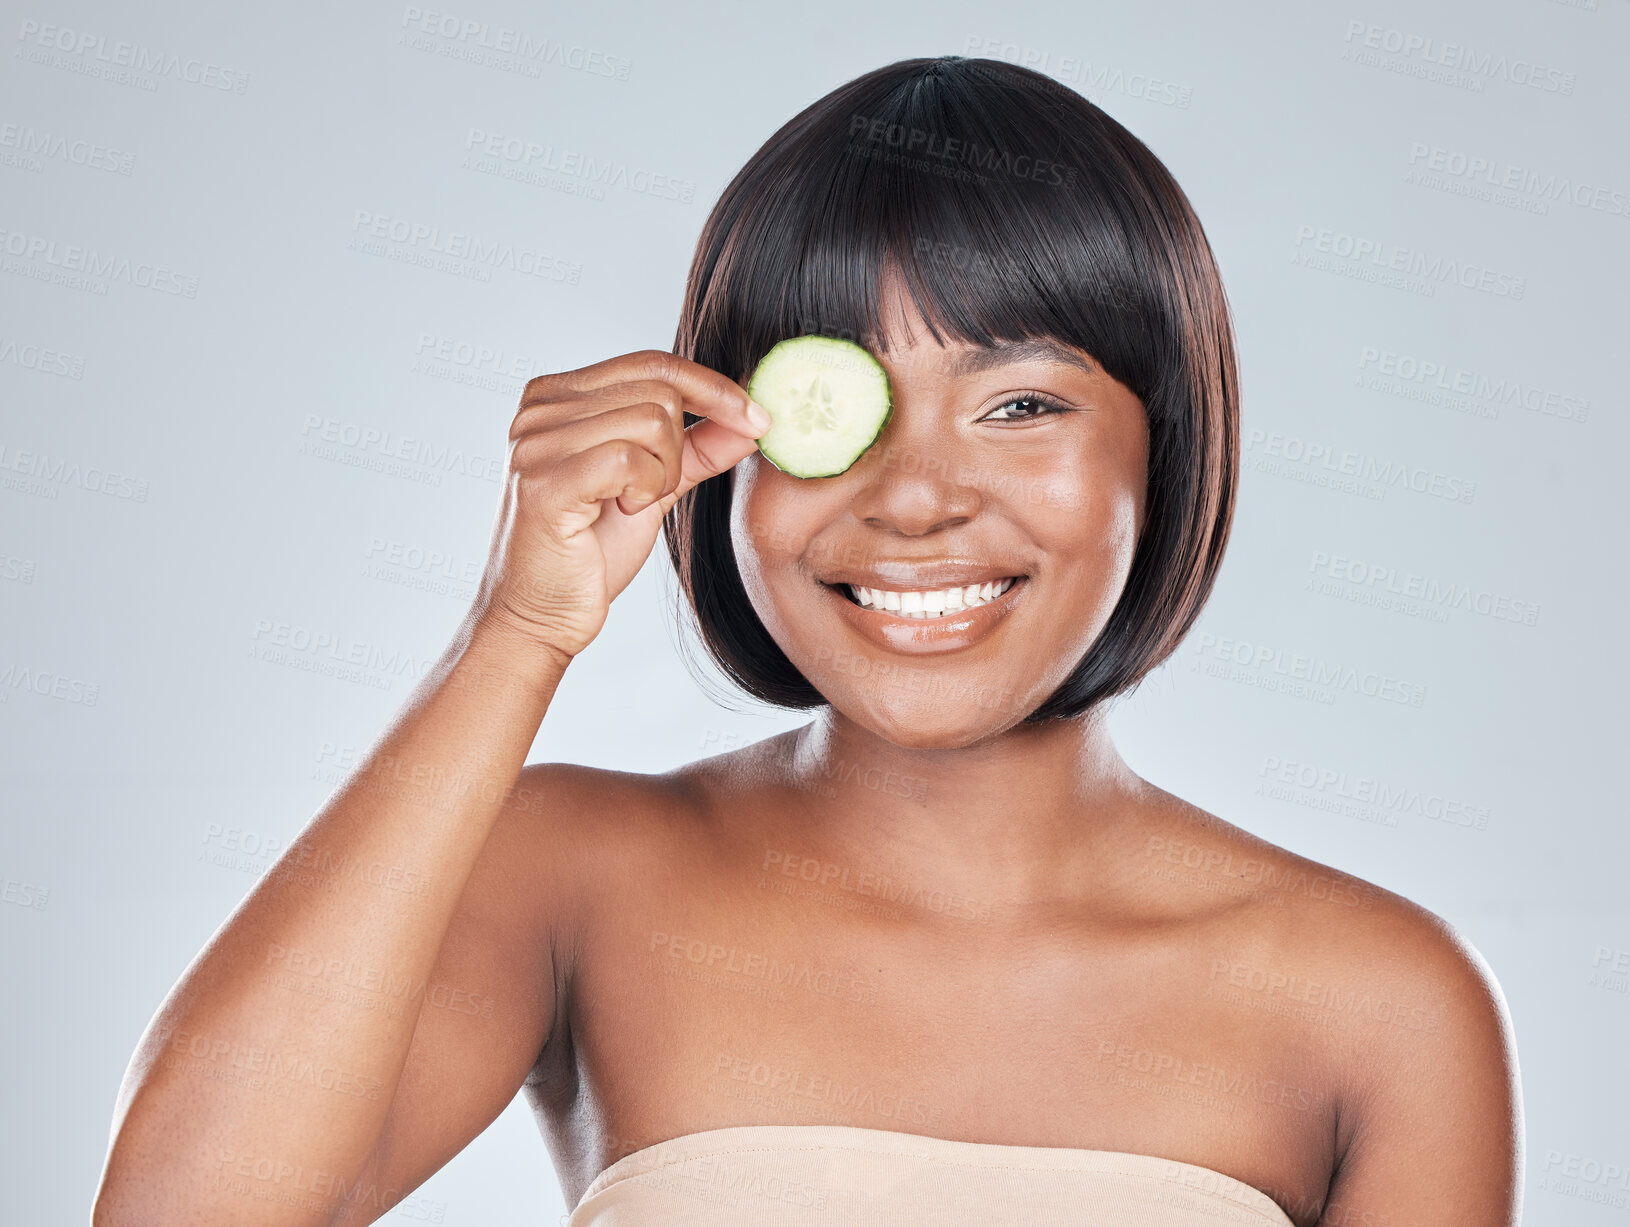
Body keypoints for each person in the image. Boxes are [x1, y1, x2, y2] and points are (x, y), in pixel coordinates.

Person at [91, 56, 1522, 1227]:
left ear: (1165, 449)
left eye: (1020, 404)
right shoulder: (570, 873)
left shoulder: (1380, 1001)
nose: (914, 499)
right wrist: (517, 632)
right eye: (841, 407)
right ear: (729, 452)